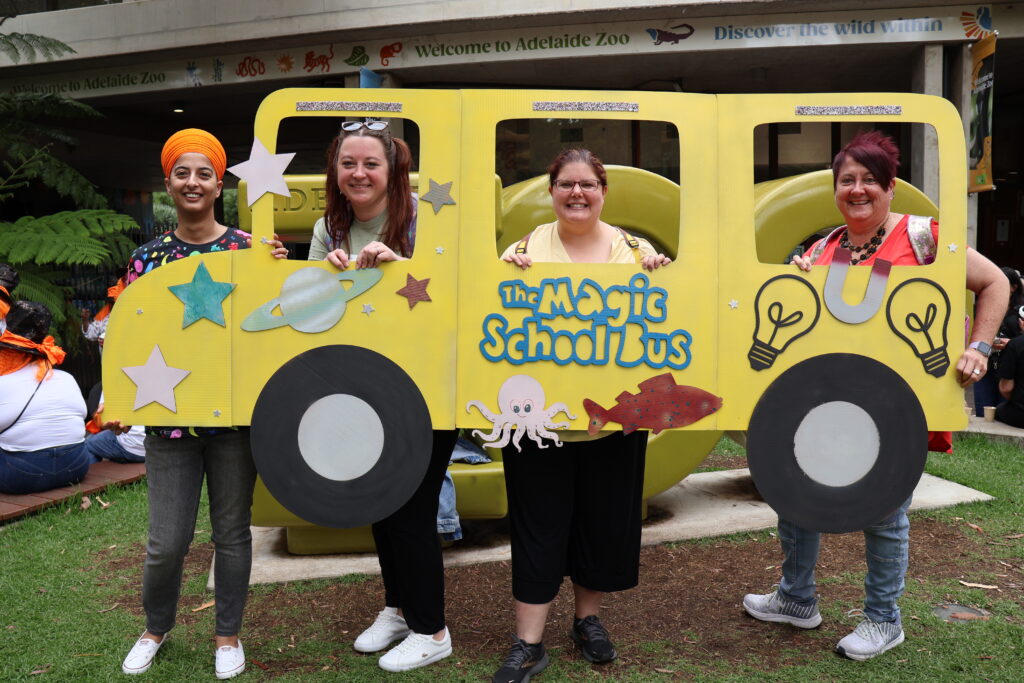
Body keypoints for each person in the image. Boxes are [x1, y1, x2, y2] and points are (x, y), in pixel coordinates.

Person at [744, 130, 1008, 661]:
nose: (857, 190)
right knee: (794, 496)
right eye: (847, 181)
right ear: (835, 190)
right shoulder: (822, 248)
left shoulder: (923, 236)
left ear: (890, 188)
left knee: (885, 510)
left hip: (895, 404)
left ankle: (884, 620)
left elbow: (995, 282)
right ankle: (796, 599)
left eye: (869, 180)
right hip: (826, 402)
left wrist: (978, 347)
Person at [492, 148, 671, 683]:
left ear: (603, 191)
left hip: (614, 423)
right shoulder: (521, 250)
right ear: (551, 191)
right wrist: (503, 275)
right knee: (538, 527)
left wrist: (665, 278)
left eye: (588, 184)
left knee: (600, 523)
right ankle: (528, 642)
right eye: (567, 184)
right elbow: (491, 316)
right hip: (538, 423)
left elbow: (670, 317)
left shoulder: (638, 251)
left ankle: (587, 620)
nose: (577, 193)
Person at [118, 128, 284, 679]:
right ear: (168, 182)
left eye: (204, 173)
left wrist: (276, 269)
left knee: (232, 532)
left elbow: (275, 323)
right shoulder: (147, 259)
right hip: (168, 423)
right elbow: (131, 336)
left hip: (235, 422)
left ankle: (227, 635)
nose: (193, 182)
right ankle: (154, 627)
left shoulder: (249, 251)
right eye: (182, 172)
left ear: (220, 184)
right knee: (167, 542)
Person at [309, 119, 458, 673]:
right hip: (365, 386)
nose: (359, 173)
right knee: (380, 499)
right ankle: (398, 609)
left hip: (430, 387)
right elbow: (312, 312)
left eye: (371, 163)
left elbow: (454, 291)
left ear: (393, 171)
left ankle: (432, 629)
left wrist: (403, 272)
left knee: (414, 506)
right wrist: (321, 275)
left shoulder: (425, 218)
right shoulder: (330, 227)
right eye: (348, 163)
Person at [0, 300, 90, 495]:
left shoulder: (4, 383)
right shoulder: (67, 378)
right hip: (76, 467)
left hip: (20, 476)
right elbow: (82, 414)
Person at [973, 266, 1024, 416]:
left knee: (1004, 411)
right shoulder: (981, 307)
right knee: (983, 413)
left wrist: (1011, 343)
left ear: (1014, 287)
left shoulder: (1020, 312)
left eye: (1001, 282)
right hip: (985, 366)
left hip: (1009, 371)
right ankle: (981, 440)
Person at [995, 305, 1024, 428]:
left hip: (1020, 414)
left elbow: (1006, 388)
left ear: (1021, 323)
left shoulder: (1016, 344)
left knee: (999, 411)